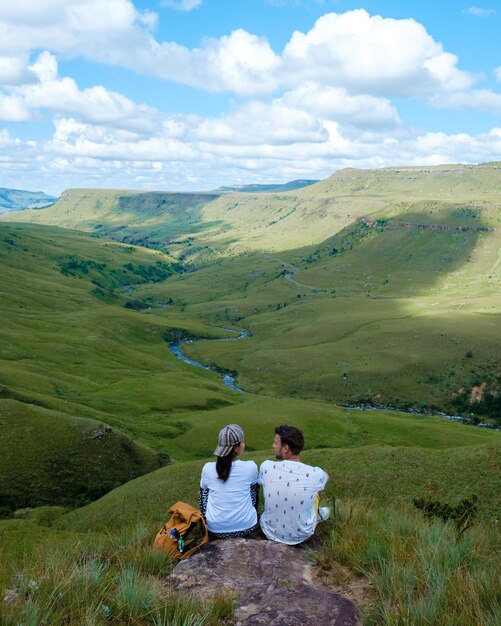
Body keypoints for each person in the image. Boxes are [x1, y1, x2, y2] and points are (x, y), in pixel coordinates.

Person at [258, 425, 330, 545]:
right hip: (302, 535)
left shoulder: (266, 466)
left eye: (276, 443)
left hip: (269, 532)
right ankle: (316, 514)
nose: (273, 446)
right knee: (316, 490)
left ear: (285, 448)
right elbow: (327, 477)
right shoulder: (315, 473)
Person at [199, 424, 259, 539]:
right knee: (253, 486)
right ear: (236, 448)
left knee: (204, 490)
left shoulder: (208, 468)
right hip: (246, 526)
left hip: (214, 529)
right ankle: (249, 514)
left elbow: (203, 494)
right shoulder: (250, 467)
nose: (244, 444)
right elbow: (253, 494)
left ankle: (205, 520)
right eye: (242, 442)